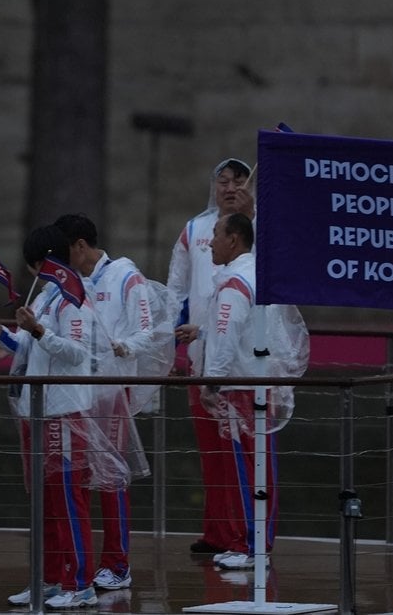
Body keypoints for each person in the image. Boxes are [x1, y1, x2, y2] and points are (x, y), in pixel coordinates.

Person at [0, 225, 128, 611]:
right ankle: (45, 579)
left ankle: (79, 583)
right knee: (43, 502)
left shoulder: (75, 299)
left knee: (67, 499)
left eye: (37, 266)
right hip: (35, 409)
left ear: (48, 263)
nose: (34, 274)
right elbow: (28, 345)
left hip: (62, 410)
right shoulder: (45, 297)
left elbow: (77, 354)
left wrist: (39, 330)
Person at [52, 214, 160, 593]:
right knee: (76, 475)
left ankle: (117, 563)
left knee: (111, 476)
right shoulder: (69, 283)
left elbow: (149, 330)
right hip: (75, 391)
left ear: (81, 245)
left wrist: (125, 346)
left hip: (111, 389)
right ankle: (72, 565)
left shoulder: (126, 276)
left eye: (65, 251)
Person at [179, 213, 279, 571]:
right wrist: (203, 331)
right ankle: (258, 545)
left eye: (216, 236)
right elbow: (246, 330)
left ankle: (244, 545)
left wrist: (211, 383)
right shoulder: (257, 275)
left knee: (243, 469)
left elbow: (227, 337)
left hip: (238, 388)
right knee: (261, 466)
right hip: (259, 383)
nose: (210, 245)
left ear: (234, 240)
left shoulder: (234, 283)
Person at [166, 158, 256, 556]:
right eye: (224, 180)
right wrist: (168, 346)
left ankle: (246, 538)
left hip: (244, 359)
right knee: (212, 451)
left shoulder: (256, 233)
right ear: (213, 185)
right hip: (202, 351)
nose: (231, 187)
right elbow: (176, 291)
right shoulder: (195, 230)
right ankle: (217, 531)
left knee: (243, 451)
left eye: (240, 181)